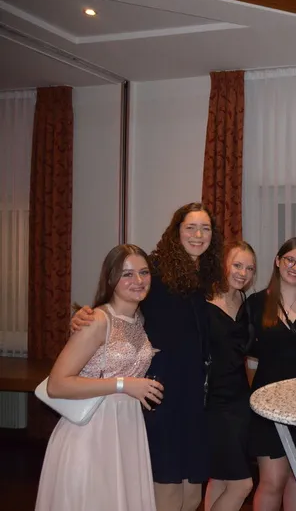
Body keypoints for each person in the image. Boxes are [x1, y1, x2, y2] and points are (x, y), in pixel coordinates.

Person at [72, 202, 223, 511]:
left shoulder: (202, 276)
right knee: (168, 492)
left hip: (194, 394)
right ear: (176, 231)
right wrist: (87, 315)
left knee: (193, 495)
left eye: (205, 228)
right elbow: (120, 300)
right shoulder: (155, 269)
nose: (198, 235)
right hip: (160, 392)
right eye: (191, 228)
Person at [36, 244, 163, 511]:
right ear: (110, 278)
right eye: (127, 274)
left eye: (143, 272)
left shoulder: (140, 319)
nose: (138, 280)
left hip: (127, 429)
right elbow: (56, 384)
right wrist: (123, 384)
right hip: (91, 430)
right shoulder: (97, 320)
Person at [248, 237, 296, 511]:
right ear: (277, 261)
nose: (295, 267)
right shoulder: (256, 303)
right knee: (272, 481)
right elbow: (244, 355)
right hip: (267, 403)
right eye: (290, 260)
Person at [203, 241, 258, 511]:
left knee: (221, 478)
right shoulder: (203, 301)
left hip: (239, 399)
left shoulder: (245, 302)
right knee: (242, 484)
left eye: (249, 268)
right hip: (213, 402)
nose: (243, 273)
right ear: (224, 264)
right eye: (237, 265)